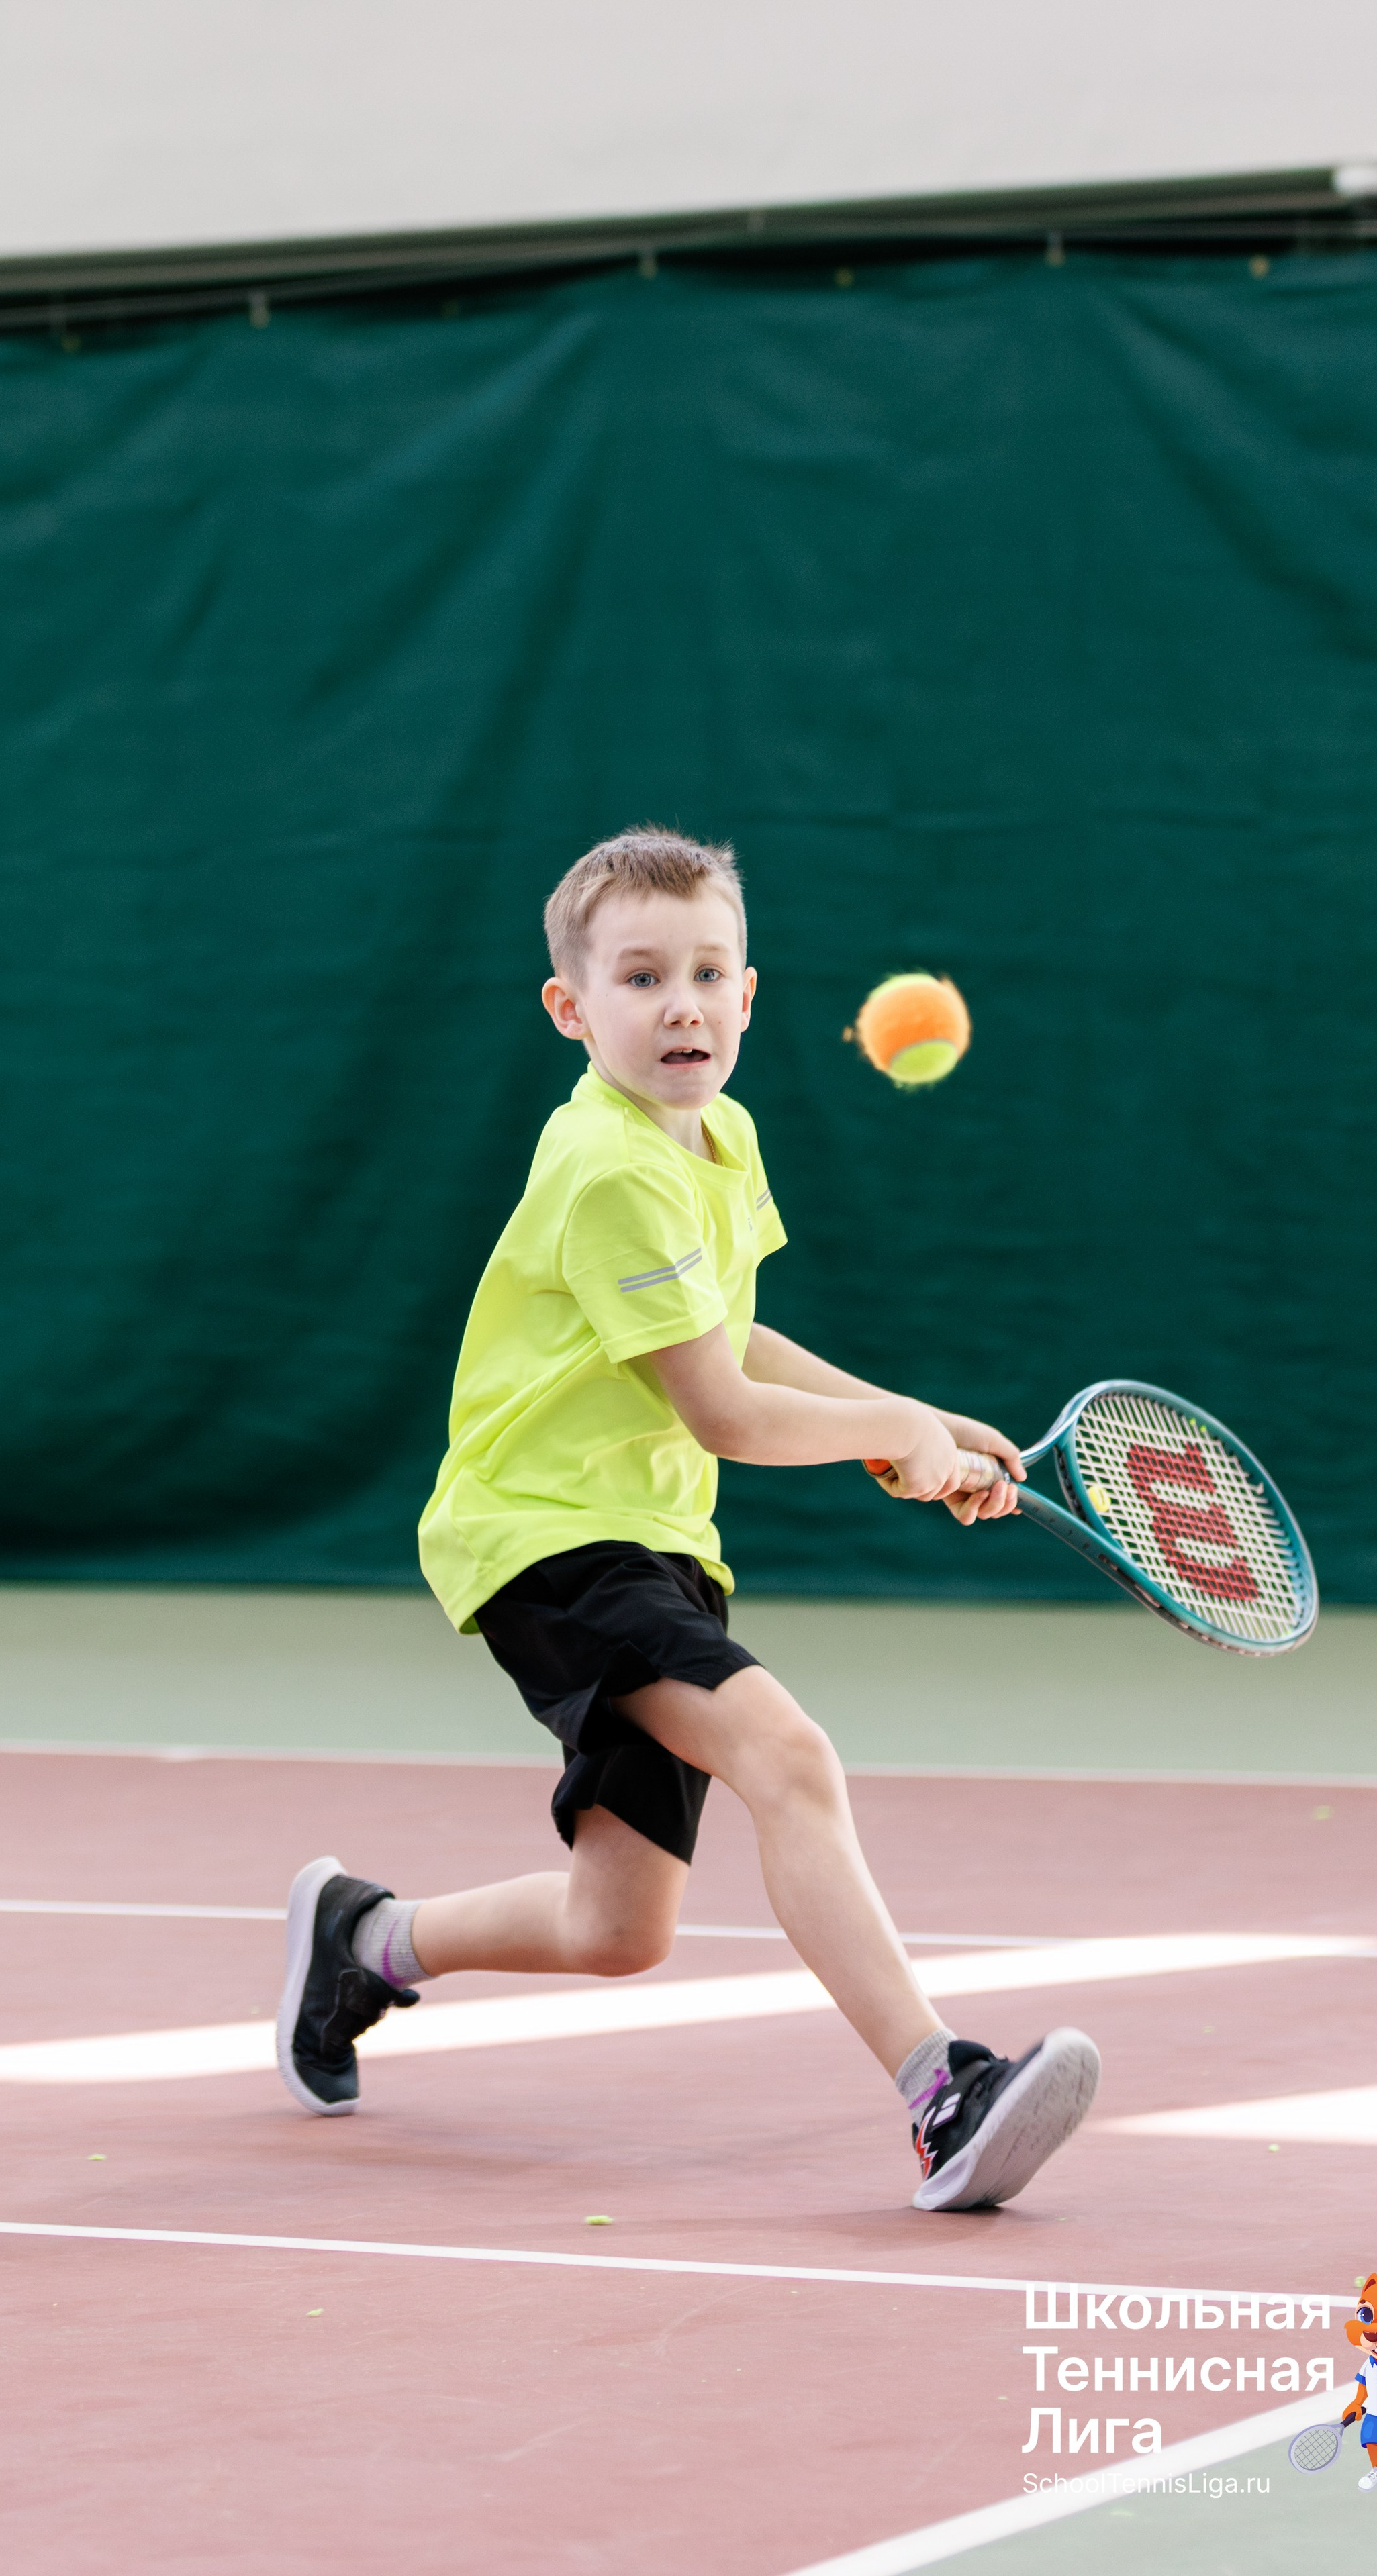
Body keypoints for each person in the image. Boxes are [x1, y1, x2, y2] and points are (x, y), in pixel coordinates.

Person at [276, 828, 1100, 2210]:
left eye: (708, 972)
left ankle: (366, 1939)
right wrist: (888, 1440)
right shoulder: (607, 1167)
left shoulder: (717, 1139)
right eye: (643, 975)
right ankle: (939, 2091)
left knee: (618, 1925)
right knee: (789, 1753)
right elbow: (720, 1407)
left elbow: (733, 1336)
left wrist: (913, 1415)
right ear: (571, 1007)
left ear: (748, 994)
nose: (682, 1003)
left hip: (652, 1539)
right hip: (545, 1535)